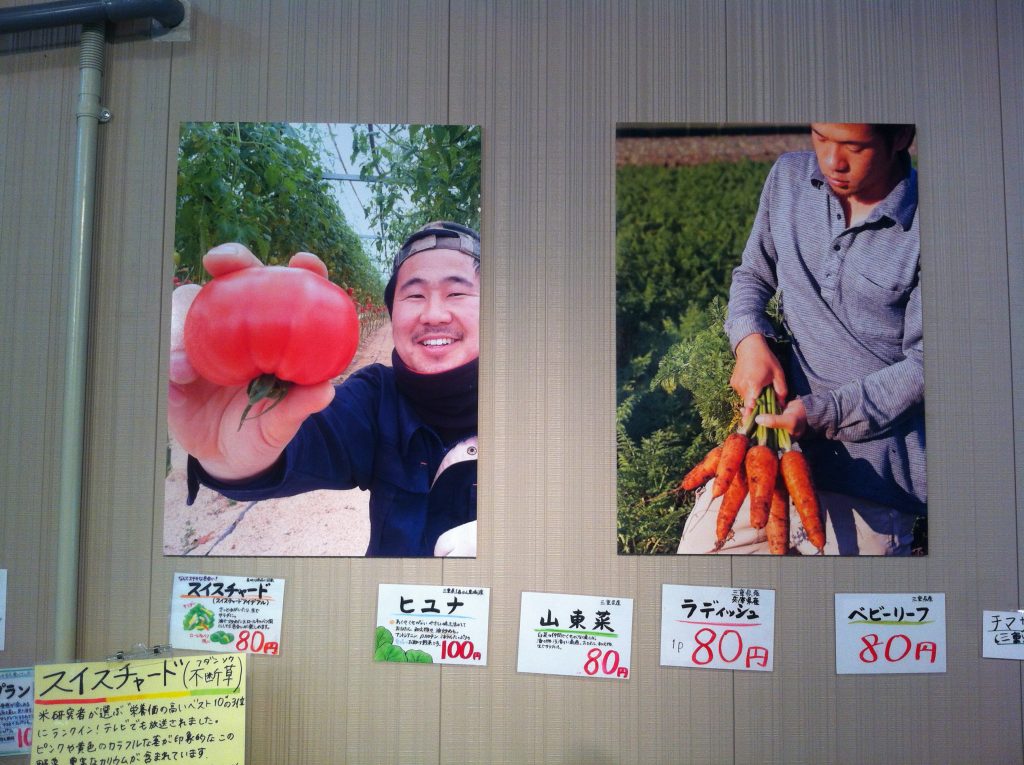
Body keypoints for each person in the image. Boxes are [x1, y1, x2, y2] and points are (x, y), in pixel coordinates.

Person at [678, 123, 924, 555]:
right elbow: (753, 274)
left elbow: (926, 367)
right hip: (763, 455)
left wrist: (818, 413)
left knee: (836, 615)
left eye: (855, 146)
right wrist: (748, 340)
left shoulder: (931, 225)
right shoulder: (790, 178)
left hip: (873, 479)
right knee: (699, 575)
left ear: (900, 137)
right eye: (821, 137)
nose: (832, 162)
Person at [168, 221, 480, 557]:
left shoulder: (537, 413)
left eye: (457, 293)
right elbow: (303, 440)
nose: (433, 314)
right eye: (414, 295)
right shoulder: (375, 400)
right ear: (392, 315)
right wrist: (229, 457)